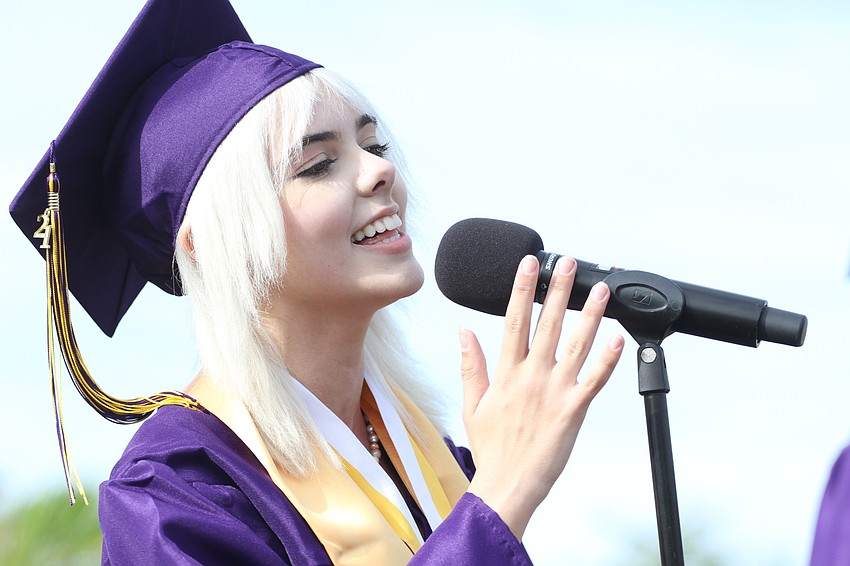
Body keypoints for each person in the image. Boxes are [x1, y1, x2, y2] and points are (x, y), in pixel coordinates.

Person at [10, 0, 624, 563]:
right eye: (320, 164)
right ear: (212, 241)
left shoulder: (426, 456)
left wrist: (489, 491)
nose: (381, 171)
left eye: (373, 142)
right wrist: (498, 501)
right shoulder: (175, 494)